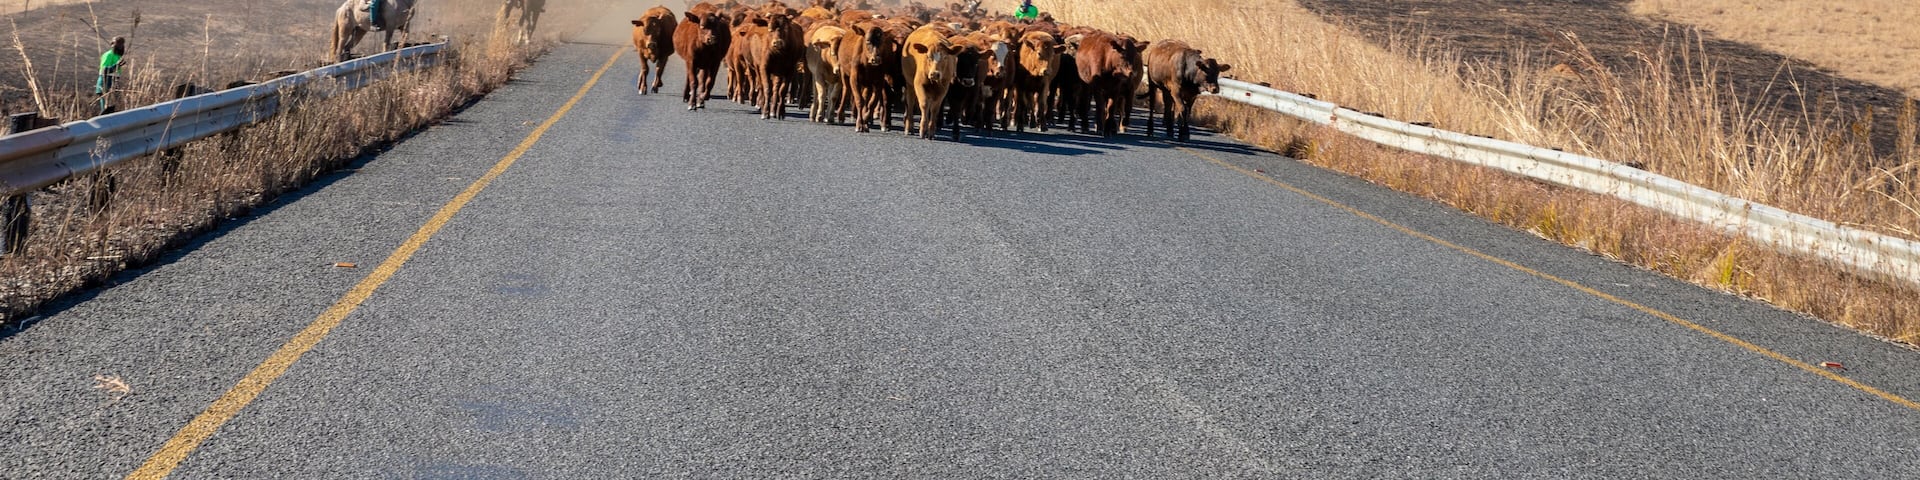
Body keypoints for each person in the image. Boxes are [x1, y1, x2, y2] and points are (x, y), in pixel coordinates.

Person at [95, 36, 126, 115]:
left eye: (121, 44)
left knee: (113, 109)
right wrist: (117, 65)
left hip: (113, 83)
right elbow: (104, 70)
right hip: (105, 83)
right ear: (112, 44)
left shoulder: (118, 56)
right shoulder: (108, 55)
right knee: (105, 109)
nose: (120, 46)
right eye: (118, 44)